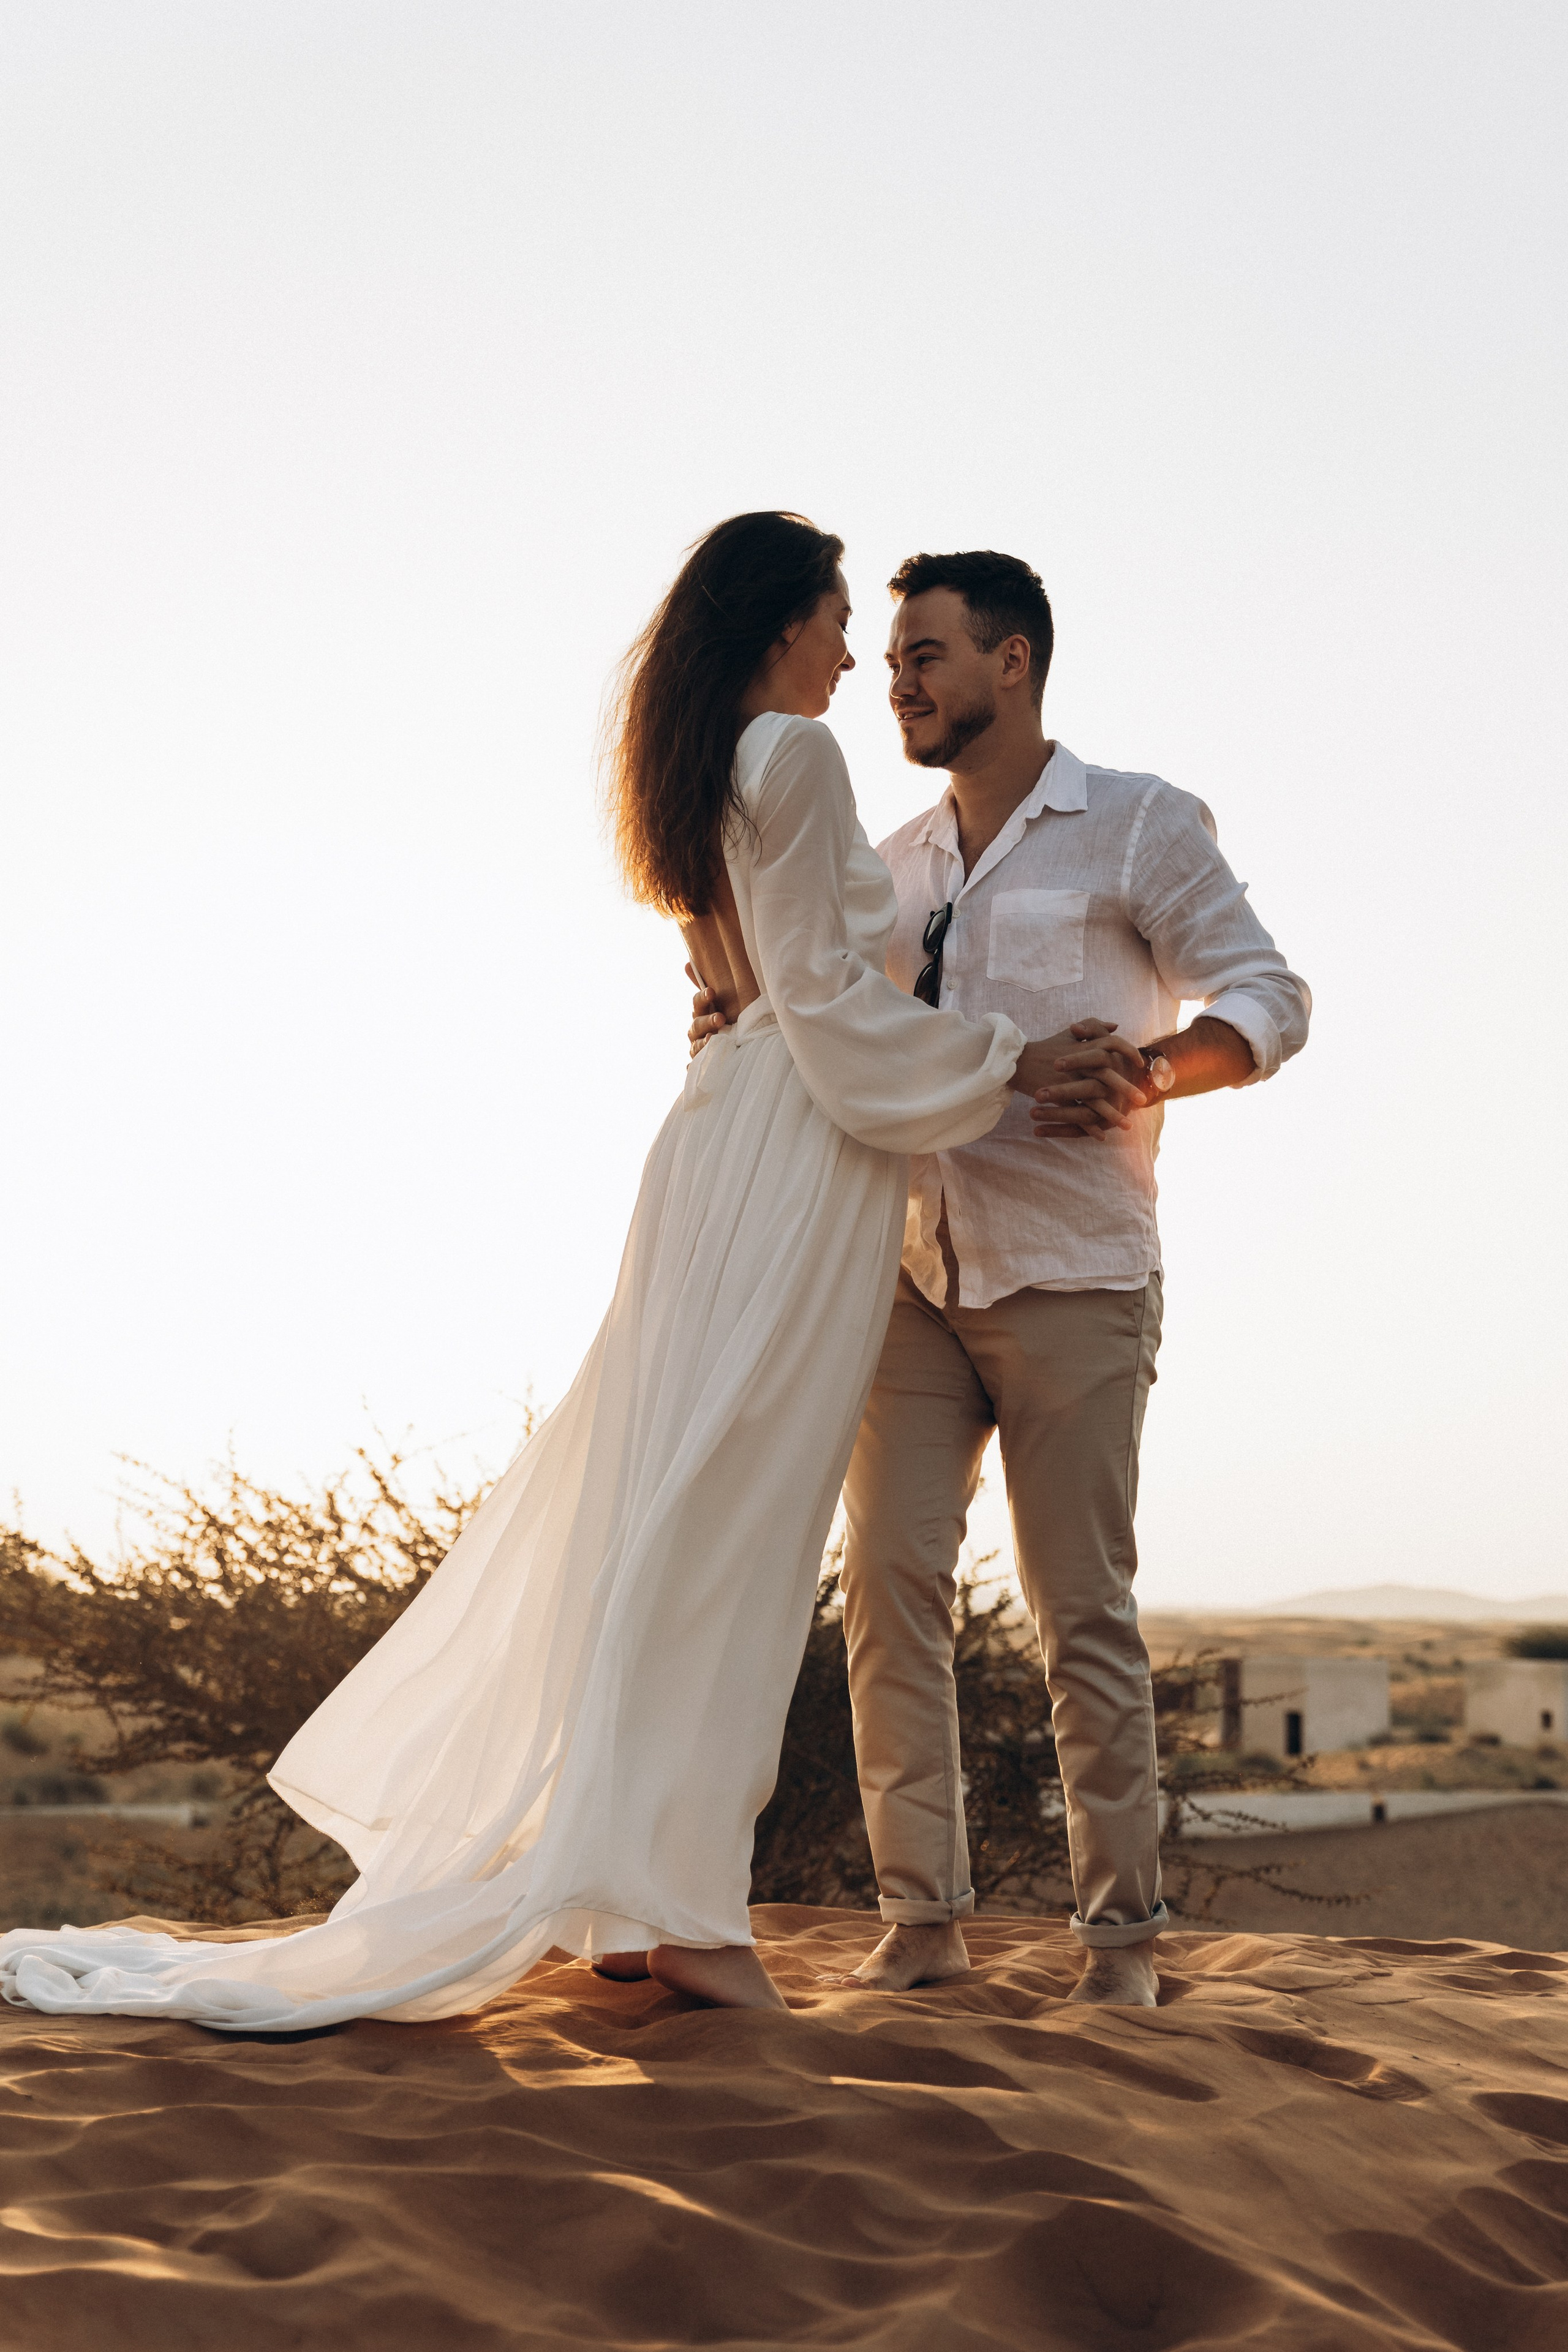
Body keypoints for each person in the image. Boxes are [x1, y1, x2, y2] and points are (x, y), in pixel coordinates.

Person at [0, 513, 1106, 2031]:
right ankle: (686, 1918)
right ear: (774, 621)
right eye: (840, 621)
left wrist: (809, 1027)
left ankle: (627, 1907)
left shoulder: (699, 766)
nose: (856, 656)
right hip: (791, 1154)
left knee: (674, 1518)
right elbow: (829, 1007)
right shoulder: (790, 756)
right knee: (728, 1533)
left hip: (736, 1140)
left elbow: (760, 993)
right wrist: (1007, 1063)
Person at [692, 549, 1311, 2007]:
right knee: (888, 1591)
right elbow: (834, 1027)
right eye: (889, 654)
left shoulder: (1139, 826)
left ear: (1012, 661)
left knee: (1076, 1607)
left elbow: (1268, 996)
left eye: (923, 654)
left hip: (1074, 1278)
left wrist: (1161, 1068)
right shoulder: (890, 859)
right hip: (902, 1274)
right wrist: (744, 1020)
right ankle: (922, 1927)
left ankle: (1119, 1949)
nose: (892, 679)